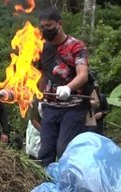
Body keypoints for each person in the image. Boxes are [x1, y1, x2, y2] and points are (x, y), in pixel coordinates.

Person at [36, 7, 92, 167]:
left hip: (72, 107)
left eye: (49, 25)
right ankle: (45, 186)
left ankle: (70, 186)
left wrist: (68, 88)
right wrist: (40, 98)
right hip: (50, 107)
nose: (46, 30)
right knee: (45, 152)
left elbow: (83, 74)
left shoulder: (76, 46)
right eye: (43, 26)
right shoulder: (42, 48)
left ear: (59, 24)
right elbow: (41, 75)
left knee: (65, 150)